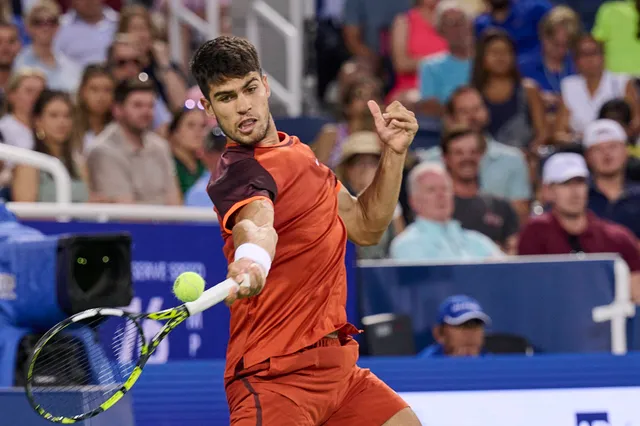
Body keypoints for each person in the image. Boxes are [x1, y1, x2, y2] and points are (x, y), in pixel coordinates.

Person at [190, 35, 420, 425]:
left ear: (264, 85)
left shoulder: (301, 154)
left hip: (340, 373)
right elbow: (258, 223)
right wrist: (252, 260)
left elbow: (365, 226)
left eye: (248, 89)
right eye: (226, 98)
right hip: (274, 378)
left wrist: (393, 154)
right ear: (210, 108)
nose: (243, 105)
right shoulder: (238, 173)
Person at [518, 152, 640, 303]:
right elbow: (527, 288)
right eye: (565, 184)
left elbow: (636, 294)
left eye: (580, 182)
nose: (574, 192)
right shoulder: (535, 232)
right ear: (548, 191)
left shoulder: (617, 238)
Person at [87, 78, 181, 205]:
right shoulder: (103, 151)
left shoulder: (160, 146)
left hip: (166, 223)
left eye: (150, 106)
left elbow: (175, 202)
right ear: (117, 110)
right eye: (138, 105)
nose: (146, 112)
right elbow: (126, 211)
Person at [390, 162, 503, 260]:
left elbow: (509, 274)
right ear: (413, 201)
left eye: (445, 189)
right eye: (431, 190)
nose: (441, 196)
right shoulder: (407, 245)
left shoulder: (477, 241)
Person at [554, 34, 640, 143]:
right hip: (582, 146)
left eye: (594, 53)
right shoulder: (569, 86)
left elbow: (636, 123)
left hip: (618, 144)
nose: (589, 59)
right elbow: (558, 133)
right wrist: (585, 140)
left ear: (603, 56)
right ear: (575, 61)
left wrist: (611, 138)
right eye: (583, 54)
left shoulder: (622, 82)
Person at [472, 29, 548, 150]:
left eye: (506, 52)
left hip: (524, 157)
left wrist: (527, 155)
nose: (500, 57)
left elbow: (542, 134)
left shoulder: (529, 89)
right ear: (482, 58)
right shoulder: (472, 94)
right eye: (494, 52)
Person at [12, 90, 89, 202]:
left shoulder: (79, 164)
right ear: (38, 121)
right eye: (54, 115)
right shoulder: (27, 165)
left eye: (67, 116)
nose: (62, 122)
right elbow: (25, 214)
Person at [583, 119, 640, 238]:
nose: (607, 154)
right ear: (587, 157)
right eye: (598, 149)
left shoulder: (638, 195)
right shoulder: (578, 196)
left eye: (613, 147)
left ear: (626, 151)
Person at [418, 0, 474, 116]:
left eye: (461, 22)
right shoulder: (430, 66)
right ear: (441, 30)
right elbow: (430, 106)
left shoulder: (484, 60)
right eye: (452, 24)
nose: (458, 28)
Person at [14, 0, 82, 93]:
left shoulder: (71, 66)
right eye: (38, 22)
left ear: (58, 26)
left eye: (51, 22)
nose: (45, 27)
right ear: (28, 27)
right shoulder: (18, 63)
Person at [419, 295, 491, 357]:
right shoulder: (423, 367)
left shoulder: (493, 366)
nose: (470, 333)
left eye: (476, 325)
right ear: (440, 333)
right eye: (461, 325)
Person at [74, 64, 115, 153]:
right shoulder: (70, 124)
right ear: (82, 92)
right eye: (94, 89)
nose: (101, 97)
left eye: (107, 90)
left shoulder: (120, 127)